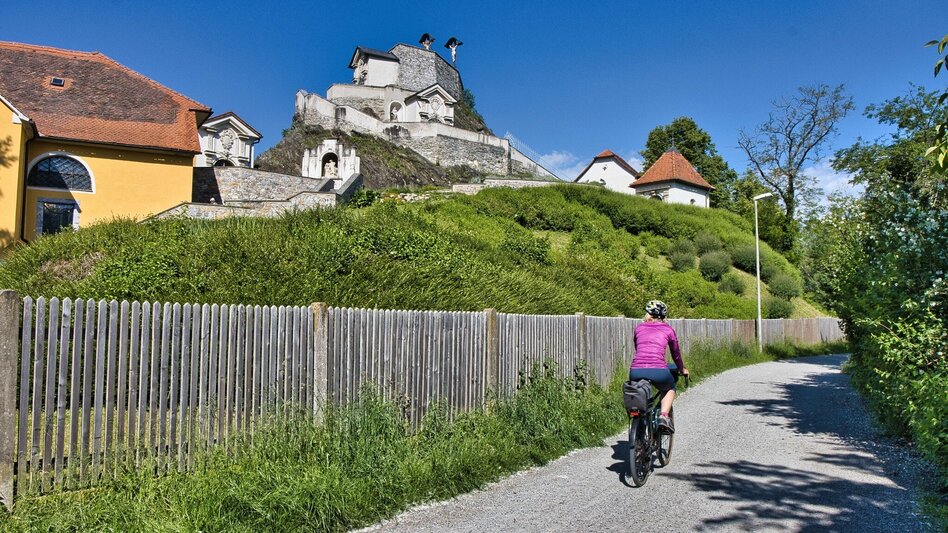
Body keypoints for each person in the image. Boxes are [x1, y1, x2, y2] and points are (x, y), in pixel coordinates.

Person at [629, 300, 688, 433]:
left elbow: (638, 347)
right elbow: (676, 353)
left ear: (647, 314)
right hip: (659, 371)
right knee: (669, 387)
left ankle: (639, 425)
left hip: (636, 371)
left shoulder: (639, 328)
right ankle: (664, 416)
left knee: (639, 396)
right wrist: (681, 368)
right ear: (663, 316)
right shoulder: (668, 330)